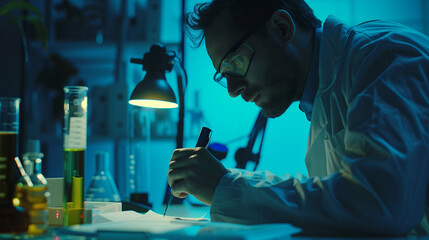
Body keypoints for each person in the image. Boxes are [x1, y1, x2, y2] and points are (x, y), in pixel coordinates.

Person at [167, 0, 429, 235]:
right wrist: (223, 180)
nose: (234, 90)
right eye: (224, 75)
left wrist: (225, 188)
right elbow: (335, 197)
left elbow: (377, 203)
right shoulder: (326, 92)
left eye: (235, 64)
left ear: (282, 27)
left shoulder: (383, 59)